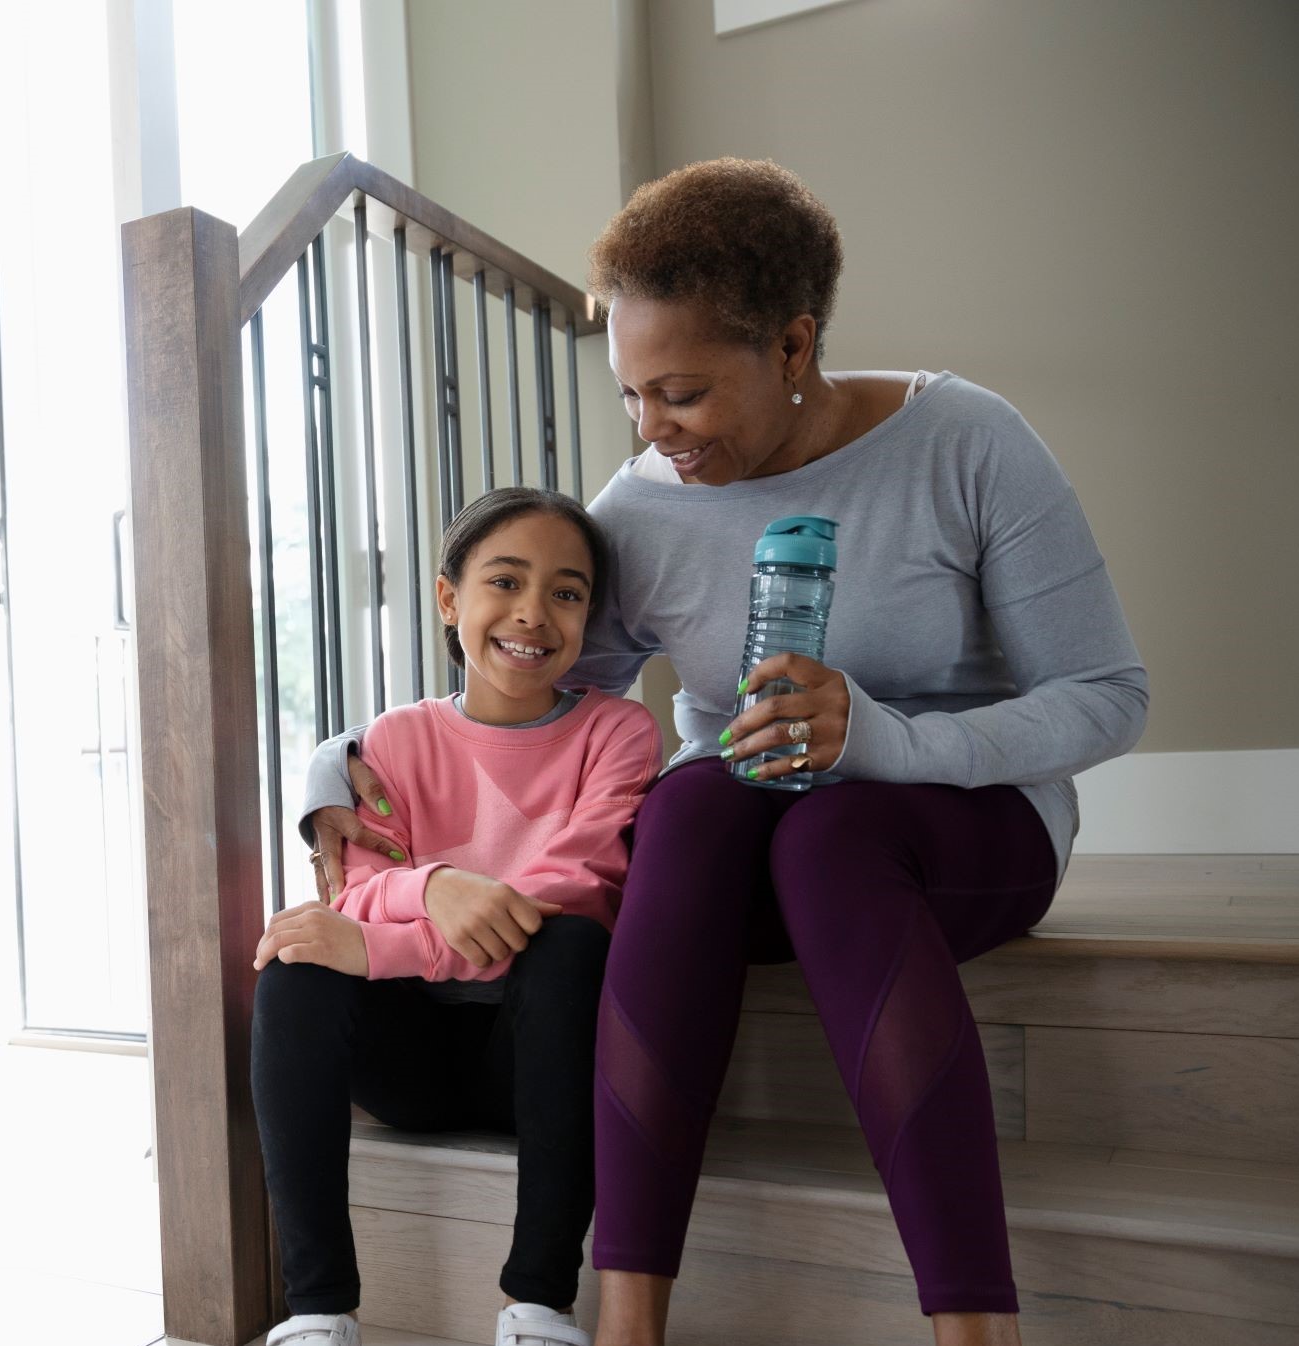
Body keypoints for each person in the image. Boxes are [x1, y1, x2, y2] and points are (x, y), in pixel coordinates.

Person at [301, 159, 1147, 1346]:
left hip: (964, 822)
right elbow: (519, 691)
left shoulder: (963, 440)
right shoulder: (641, 505)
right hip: (739, 848)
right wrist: (334, 768)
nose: (655, 433)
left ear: (794, 346)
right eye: (631, 397)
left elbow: (1106, 697)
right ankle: (628, 1320)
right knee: (692, 806)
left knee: (834, 833)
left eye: (683, 394)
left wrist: (884, 737)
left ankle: (973, 1327)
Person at [252, 487, 661, 1346]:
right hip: (412, 1067)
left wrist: (384, 948)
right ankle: (318, 1313)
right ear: (448, 598)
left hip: (539, 1055)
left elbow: (569, 890)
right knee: (294, 963)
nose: (532, 614)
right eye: (504, 581)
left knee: (573, 943)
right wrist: (436, 887)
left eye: (566, 592)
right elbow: (354, 892)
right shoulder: (393, 742)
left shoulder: (617, 734)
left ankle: (539, 1307)